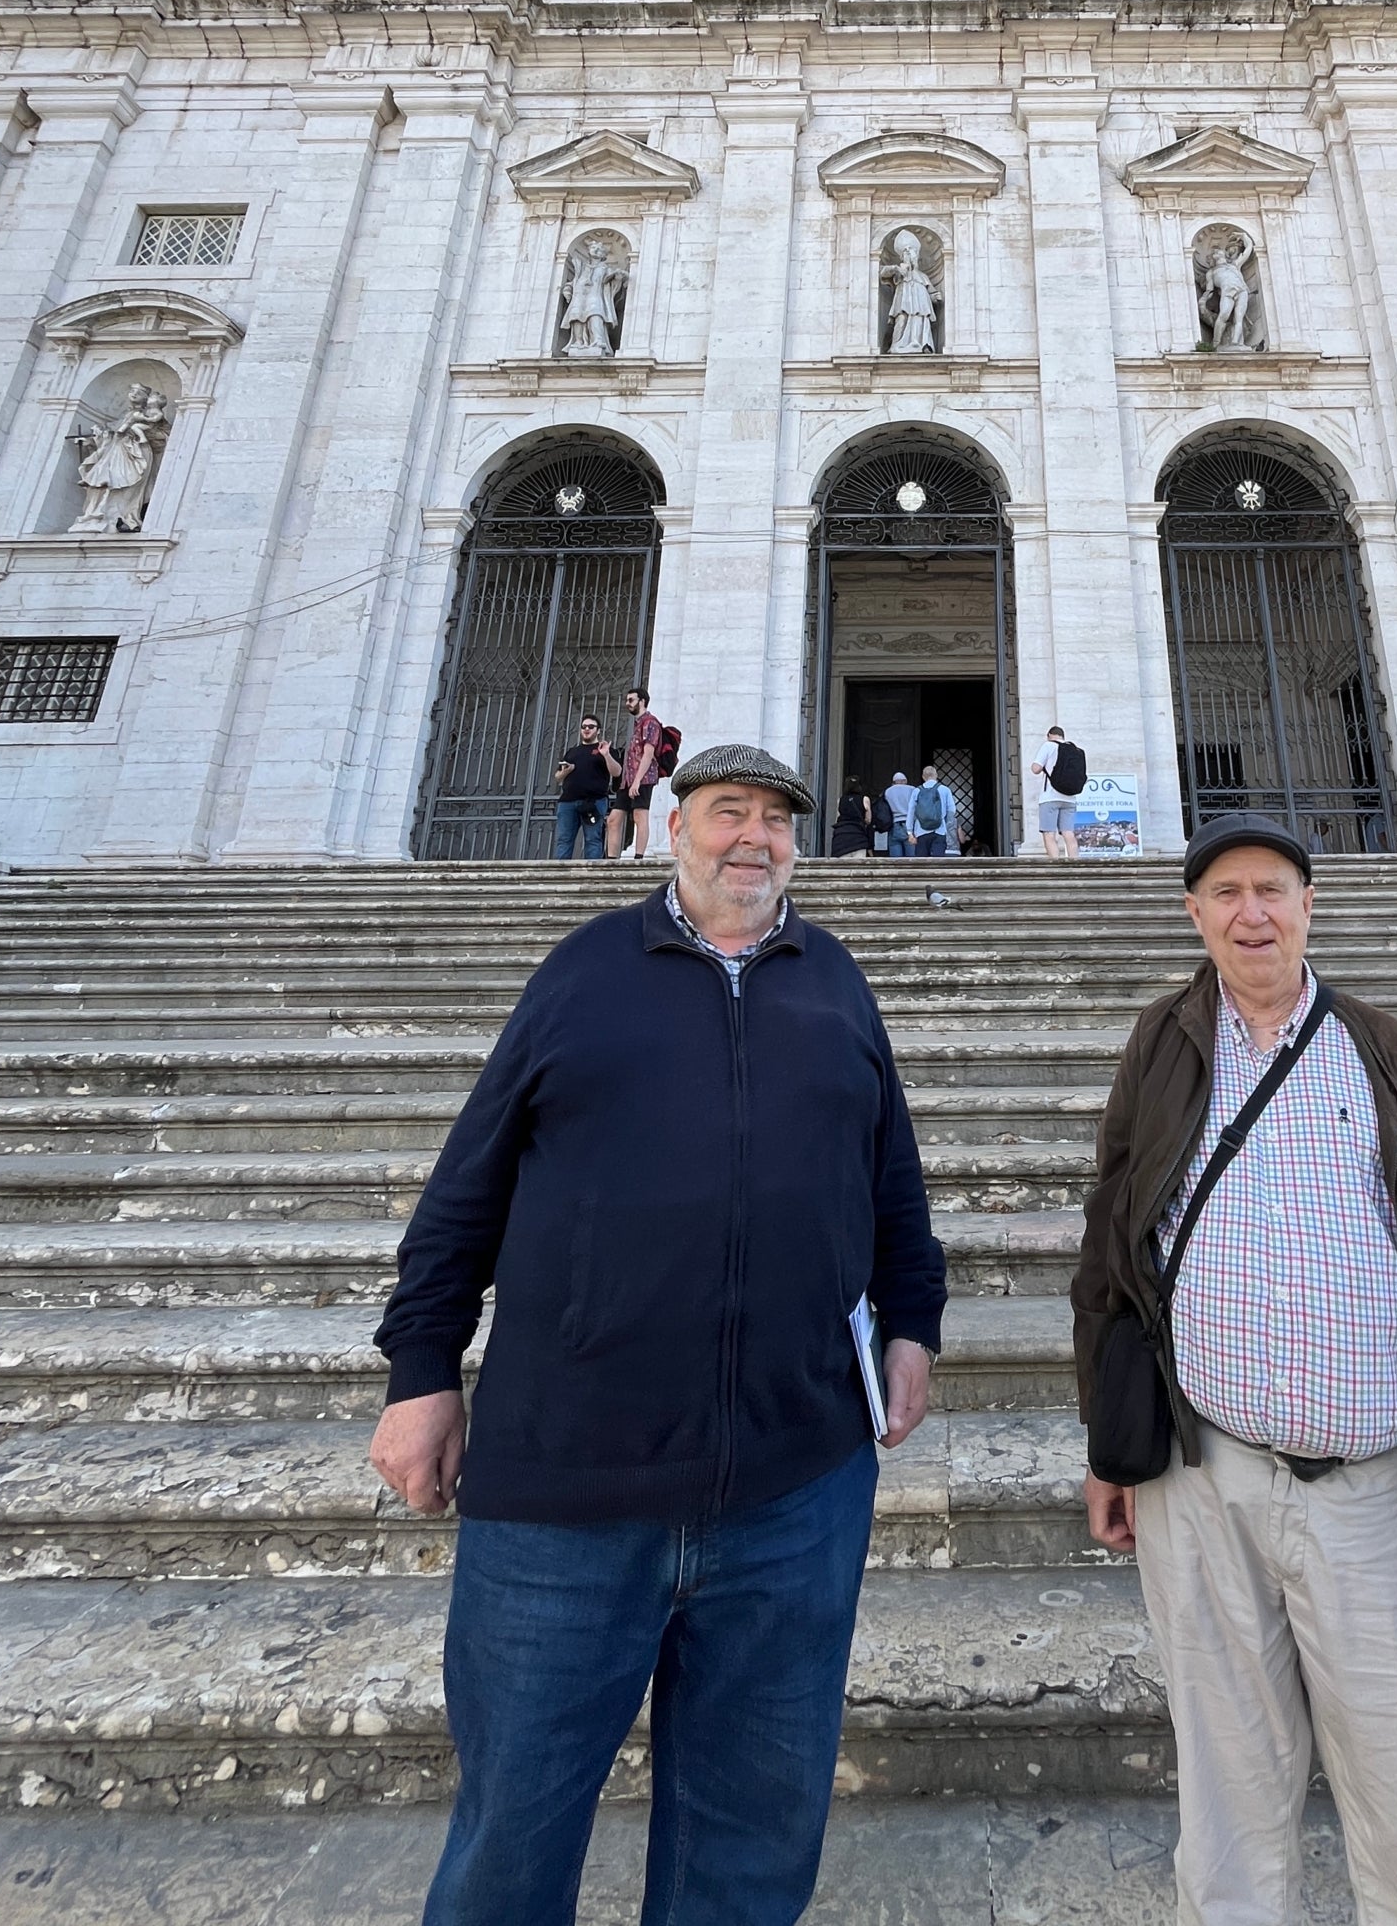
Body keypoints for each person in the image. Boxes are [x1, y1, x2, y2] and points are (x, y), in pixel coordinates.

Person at [371, 742, 947, 1926]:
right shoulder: (584, 970)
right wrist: (421, 1371)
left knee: (751, 1830)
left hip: (794, 1485)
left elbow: (890, 1174)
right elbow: (467, 1186)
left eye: (777, 820)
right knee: (513, 1831)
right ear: (673, 828)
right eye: (728, 813)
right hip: (567, 1486)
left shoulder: (835, 976)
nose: (755, 838)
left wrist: (913, 1323)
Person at [1071, 816, 1397, 1926]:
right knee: (1229, 1790)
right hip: (1202, 1481)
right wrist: (1111, 1445)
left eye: (1274, 890)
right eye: (1229, 893)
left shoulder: (1388, 1054)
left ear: (1308, 906)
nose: (1253, 913)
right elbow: (1110, 1253)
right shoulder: (1160, 1046)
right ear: (1195, 914)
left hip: (1374, 1493)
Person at [606, 685, 664, 860]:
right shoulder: (639, 724)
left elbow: (648, 754)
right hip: (628, 780)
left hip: (643, 779)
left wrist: (638, 780)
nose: (627, 703)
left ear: (642, 701)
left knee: (640, 815)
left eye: (631, 700)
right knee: (614, 819)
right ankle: (611, 860)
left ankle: (638, 858)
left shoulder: (650, 723)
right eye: (627, 700)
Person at [552, 715, 617, 861]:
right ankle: (560, 876)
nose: (587, 729)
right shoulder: (572, 752)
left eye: (591, 726)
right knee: (564, 840)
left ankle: (591, 876)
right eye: (584, 727)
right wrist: (565, 772)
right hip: (568, 802)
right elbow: (557, 777)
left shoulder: (604, 750)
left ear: (598, 731)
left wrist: (606, 755)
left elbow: (616, 772)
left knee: (593, 840)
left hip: (594, 802)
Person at [1031, 724, 1084, 859]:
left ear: (1049, 736)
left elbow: (1036, 769)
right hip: (1070, 798)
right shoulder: (1075, 750)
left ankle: (1055, 866)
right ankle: (1074, 864)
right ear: (1062, 736)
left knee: (1049, 833)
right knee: (1068, 833)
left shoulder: (1048, 746)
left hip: (1050, 797)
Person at [908, 763, 957, 858]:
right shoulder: (945, 790)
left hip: (921, 831)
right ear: (936, 775)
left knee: (922, 863)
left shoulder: (916, 791)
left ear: (923, 777)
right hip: (939, 830)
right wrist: (947, 827)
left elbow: (911, 812)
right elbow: (951, 811)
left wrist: (910, 832)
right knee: (938, 862)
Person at [831, 775, 874, 858]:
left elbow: (837, 820)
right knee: (858, 867)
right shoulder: (865, 799)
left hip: (841, 839)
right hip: (858, 838)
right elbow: (868, 820)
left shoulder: (840, 800)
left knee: (842, 868)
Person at [882, 769, 916, 860]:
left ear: (893, 782)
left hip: (894, 825)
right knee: (911, 859)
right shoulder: (912, 789)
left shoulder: (888, 791)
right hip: (909, 825)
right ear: (905, 781)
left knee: (895, 860)